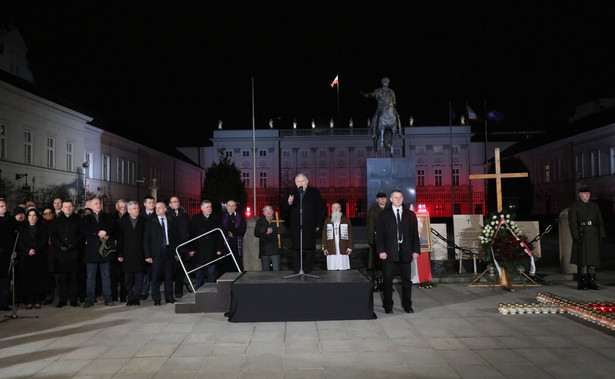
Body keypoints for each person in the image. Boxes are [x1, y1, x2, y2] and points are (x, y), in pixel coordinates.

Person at [376, 190, 420, 314]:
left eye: (400, 197)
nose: (398, 199)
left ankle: (407, 305)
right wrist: (381, 251)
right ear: (391, 199)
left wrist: (416, 250)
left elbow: (414, 234)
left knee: (406, 280)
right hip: (389, 252)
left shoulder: (410, 214)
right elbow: (379, 235)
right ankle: (388, 306)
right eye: (396, 197)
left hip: (406, 252)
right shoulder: (383, 215)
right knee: (388, 280)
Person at [282, 173, 324, 274]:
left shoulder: (314, 192)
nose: (300, 183)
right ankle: (297, 270)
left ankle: (308, 270)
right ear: (295, 183)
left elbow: (319, 209)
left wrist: (319, 223)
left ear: (307, 181)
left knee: (309, 248)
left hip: (310, 225)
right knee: (296, 248)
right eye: (298, 181)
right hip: (296, 226)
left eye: (302, 181)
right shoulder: (291, 192)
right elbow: (284, 208)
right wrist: (289, 202)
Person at [80, 197, 116, 307]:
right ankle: (90, 299)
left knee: (106, 276)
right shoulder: (85, 219)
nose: (98, 205)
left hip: (104, 251)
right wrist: (98, 233)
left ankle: (108, 298)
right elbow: (84, 231)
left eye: (99, 203)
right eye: (96, 203)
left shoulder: (107, 217)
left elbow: (114, 228)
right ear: (90, 206)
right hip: (91, 252)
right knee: (90, 276)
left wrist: (106, 232)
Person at [569, 186, 606, 290]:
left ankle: (591, 281)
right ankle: (582, 281)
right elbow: (572, 223)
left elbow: (600, 221)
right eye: (585, 193)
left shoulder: (594, 206)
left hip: (592, 234)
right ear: (580, 195)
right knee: (582, 260)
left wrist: (602, 234)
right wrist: (575, 236)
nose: (587, 195)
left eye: (588, 193)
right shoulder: (575, 206)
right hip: (582, 234)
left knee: (592, 260)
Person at [144, 201, 179, 305]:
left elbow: (176, 238)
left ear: (165, 209)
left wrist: (177, 252)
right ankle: (157, 299)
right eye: (156, 208)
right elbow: (146, 239)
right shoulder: (151, 221)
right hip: (156, 253)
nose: (157, 209)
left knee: (169, 276)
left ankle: (169, 297)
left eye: (160, 207)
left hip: (169, 251)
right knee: (155, 277)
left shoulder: (171, 220)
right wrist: (147, 255)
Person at [49, 200, 83, 307]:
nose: (68, 208)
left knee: (74, 277)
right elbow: (53, 236)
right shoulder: (57, 220)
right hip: (61, 253)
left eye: (70, 206)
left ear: (73, 208)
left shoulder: (78, 219)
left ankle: (73, 300)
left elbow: (81, 234)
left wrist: (74, 244)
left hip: (74, 252)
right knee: (62, 278)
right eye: (65, 207)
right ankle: (62, 299)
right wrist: (60, 245)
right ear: (62, 208)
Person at [16, 209, 49, 309]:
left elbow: (44, 240)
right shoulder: (22, 228)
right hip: (26, 257)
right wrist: (27, 250)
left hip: (38, 256)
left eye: (34, 215)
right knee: (27, 279)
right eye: (30, 215)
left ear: (37, 217)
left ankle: (37, 300)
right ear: (27, 217)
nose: (32, 217)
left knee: (38, 278)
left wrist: (35, 249)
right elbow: (20, 242)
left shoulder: (42, 228)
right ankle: (29, 301)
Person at [117, 201, 147, 306]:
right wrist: (119, 254)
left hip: (140, 253)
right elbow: (120, 239)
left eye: (137, 208)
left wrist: (147, 254)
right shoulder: (122, 222)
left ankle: (137, 297)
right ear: (129, 210)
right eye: (134, 208)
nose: (137, 210)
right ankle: (130, 297)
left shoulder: (144, 221)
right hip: (127, 254)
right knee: (128, 279)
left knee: (139, 278)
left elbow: (146, 239)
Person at [189, 200, 223, 287]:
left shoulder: (216, 217)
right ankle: (198, 291)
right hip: (199, 248)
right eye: (207, 207)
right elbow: (192, 234)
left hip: (212, 248)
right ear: (202, 208)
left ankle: (211, 290)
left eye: (210, 207)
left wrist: (219, 248)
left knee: (212, 272)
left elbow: (220, 234)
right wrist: (191, 249)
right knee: (199, 272)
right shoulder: (195, 218)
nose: (209, 209)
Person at [166, 196, 190, 298]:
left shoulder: (184, 215)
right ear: (170, 204)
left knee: (181, 271)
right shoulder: (167, 216)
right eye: (174, 202)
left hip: (183, 246)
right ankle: (169, 292)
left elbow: (188, 230)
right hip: (171, 248)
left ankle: (178, 291)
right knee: (170, 271)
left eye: (177, 201)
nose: (176, 203)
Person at [322, 203, 353, 270]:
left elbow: (350, 234)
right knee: (332, 267)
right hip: (330, 246)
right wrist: (324, 248)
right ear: (331, 209)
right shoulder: (327, 220)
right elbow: (324, 235)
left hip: (343, 246)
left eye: (338, 207)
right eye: (334, 207)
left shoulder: (346, 219)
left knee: (343, 267)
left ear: (340, 209)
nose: (336, 209)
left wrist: (350, 247)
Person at [367, 191, 387, 290]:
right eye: (381, 198)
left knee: (388, 263)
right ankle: (378, 282)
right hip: (378, 239)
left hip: (390, 240)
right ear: (377, 200)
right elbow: (370, 226)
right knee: (377, 262)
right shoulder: (373, 211)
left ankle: (386, 282)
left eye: (384, 198)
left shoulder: (390, 209)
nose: (383, 199)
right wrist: (371, 240)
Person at [0, 200, 18, 311]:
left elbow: (14, 237)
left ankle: (4, 303)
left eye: (5, 205)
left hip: (7, 254)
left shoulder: (11, 220)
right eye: (1, 206)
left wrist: (14, 250)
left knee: (5, 279)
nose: (4, 207)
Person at [221, 200, 246, 272]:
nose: (231, 207)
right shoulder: (221, 216)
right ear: (226, 206)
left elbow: (243, 228)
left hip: (237, 242)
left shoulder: (240, 217)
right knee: (227, 261)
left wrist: (234, 234)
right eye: (229, 205)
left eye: (233, 206)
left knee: (238, 261)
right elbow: (220, 227)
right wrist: (228, 233)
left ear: (235, 207)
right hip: (226, 242)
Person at [254, 205, 281, 271]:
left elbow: (283, 231)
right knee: (265, 271)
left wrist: (274, 230)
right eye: (266, 210)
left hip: (275, 249)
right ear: (263, 213)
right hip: (265, 249)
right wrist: (266, 230)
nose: (268, 211)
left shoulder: (277, 220)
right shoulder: (260, 221)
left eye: (270, 210)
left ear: (272, 212)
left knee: (276, 270)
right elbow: (256, 233)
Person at [110, 199, 128, 303]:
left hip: (125, 250)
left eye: (125, 206)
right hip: (114, 251)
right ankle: (113, 295)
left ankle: (123, 296)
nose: (123, 208)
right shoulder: (112, 218)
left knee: (124, 275)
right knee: (113, 275)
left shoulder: (129, 218)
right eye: (121, 206)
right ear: (117, 207)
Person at [140, 196, 155, 300]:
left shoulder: (157, 214)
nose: (151, 204)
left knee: (155, 271)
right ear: (145, 204)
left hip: (155, 246)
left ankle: (155, 292)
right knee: (145, 272)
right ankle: (144, 292)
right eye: (149, 202)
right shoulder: (141, 215)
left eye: (153, 202)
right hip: (144, 246)